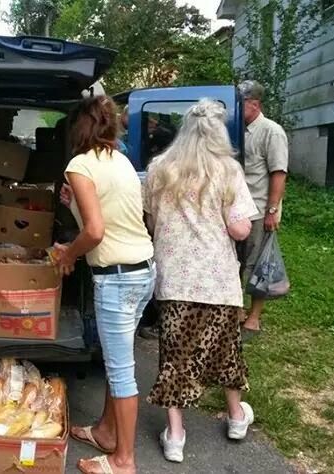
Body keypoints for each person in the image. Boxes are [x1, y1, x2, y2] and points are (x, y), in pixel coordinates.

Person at [144, 100, 259, 463]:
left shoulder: (159, 168)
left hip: (175, 279)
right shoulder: (228, 171)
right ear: (218, 133)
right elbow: (241, 229)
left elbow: (149, 221)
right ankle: (237, 418)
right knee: (226, 351)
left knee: (175, 357)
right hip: (218, 281)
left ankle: (175, 436)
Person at [55, 96, 156, 474]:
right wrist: (73, 207)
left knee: (120, 370)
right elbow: (109, 217)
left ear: (78, 129)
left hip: (116, 278)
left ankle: (123, 461)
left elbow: (95, 232)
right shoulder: (120, 161)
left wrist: (68, 254)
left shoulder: (79, 164)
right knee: (120, 359)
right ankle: (106, 432)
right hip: (143, 269)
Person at [237, 80, 289, 338]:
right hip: (238, 211)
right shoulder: (238, 129)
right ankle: (236, 310)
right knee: (237, 261)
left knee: (258, 264)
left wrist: (271, 211)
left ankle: (254, 317)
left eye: (241, 103)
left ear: (254, 104)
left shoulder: (272, 131)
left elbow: (278, 173)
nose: (236, 108)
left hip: (258, 210)